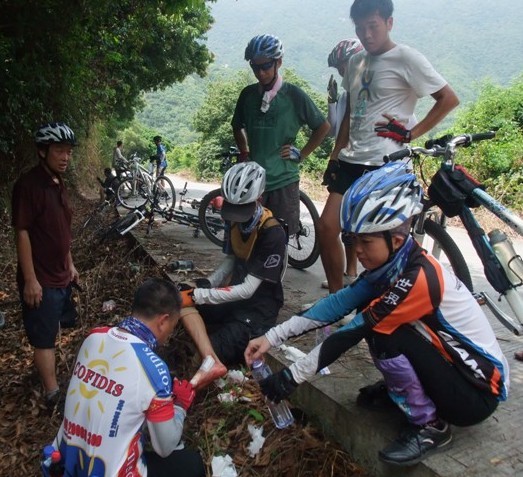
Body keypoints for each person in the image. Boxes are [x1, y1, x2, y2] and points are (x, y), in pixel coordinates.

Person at [245, 162, 509, 467]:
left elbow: (352, 331)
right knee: (374, 316)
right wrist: (271, 337)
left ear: (395, 239)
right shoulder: (393, 264)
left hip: (475, 395)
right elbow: (336, 304)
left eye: (366, 241)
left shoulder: (419, 276)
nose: (357, 250)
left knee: (382, 331)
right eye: (353, 239)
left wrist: (291, 377)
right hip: (455, 370)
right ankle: (406, 392)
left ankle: (430, 426)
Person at [319, 0, 460, 294]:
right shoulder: (355, 63)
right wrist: (334, 156)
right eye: (360, 28)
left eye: (373, 26)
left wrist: (411, 133)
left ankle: (390, 303)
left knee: (385, 242)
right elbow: (350, 114)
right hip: (351, 160)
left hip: (385, 164)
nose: (367, 34)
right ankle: (335, 300)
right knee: (327, 227)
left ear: (389, 23)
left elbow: (448, 99)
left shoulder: (406, 58)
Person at [52, 278, 205, 477]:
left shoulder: (94, 337)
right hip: (111, 472)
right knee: (192, 464)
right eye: (173, 326)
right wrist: (180, 406)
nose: (169, 334)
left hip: (65, 462)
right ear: (163, 321)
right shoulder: (154, 369)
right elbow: (164, 447)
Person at [178, 162, 287, 376]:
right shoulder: (235, 222)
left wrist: (199, 295)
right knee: (176, 300)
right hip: (232, 299)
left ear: (259, 198)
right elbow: (232, 258)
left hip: (256, 311)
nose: (235, 215)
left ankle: (207, 361)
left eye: (241, 208)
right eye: (232, 208)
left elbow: (247, 290)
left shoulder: (273, 233)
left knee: (200, 359)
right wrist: (208, 282)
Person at [231, 34, 330, 235]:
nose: (260, 73)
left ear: (279, 62)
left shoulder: (293, 95)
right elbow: (237, 125)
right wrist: (245, 152)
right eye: (254, 67)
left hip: (283, 180)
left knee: (279, 237)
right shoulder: (247, 95)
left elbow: (322, 126)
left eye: (266, 66)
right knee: (247, 236)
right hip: (252, 180)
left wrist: (301, 154)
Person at [11, 122, 80, 409]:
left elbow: (61, 229)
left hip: (61, 273)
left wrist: (70, 263)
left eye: (68, 152)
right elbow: (22, 232)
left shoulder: (57, 181)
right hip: (42, 278)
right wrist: (30, 279)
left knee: (55, 326)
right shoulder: (29, 186)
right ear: (43, 151)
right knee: (43, 338)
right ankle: (52, 394)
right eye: (59, 151)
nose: (65, 157)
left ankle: (46, 374)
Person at [321, 38, 364, 289]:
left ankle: (353, 273)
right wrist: (331, 101)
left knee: (361, 227)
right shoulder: (348, 94)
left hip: (374, 163)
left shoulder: (375, 84)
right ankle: (341, 286)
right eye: (339, 69)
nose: (341, 72)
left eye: (343, 67)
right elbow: (334, 129)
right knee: (336, 225)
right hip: (348, 161)